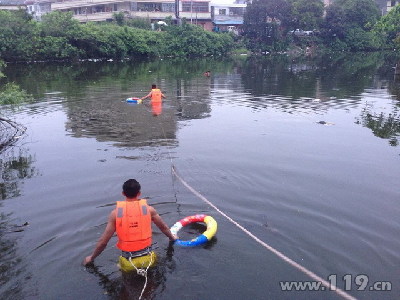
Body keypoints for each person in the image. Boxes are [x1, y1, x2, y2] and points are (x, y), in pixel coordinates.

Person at [83, 179, 177, 271]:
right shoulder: (149, 210)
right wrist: (172, 238)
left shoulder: (115, 214)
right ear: (139, 193)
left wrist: (91, 257)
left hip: (128, 263)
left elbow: (103, 242)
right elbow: (163, 227)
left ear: (123, 193)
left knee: (126, 280)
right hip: (149, 260)